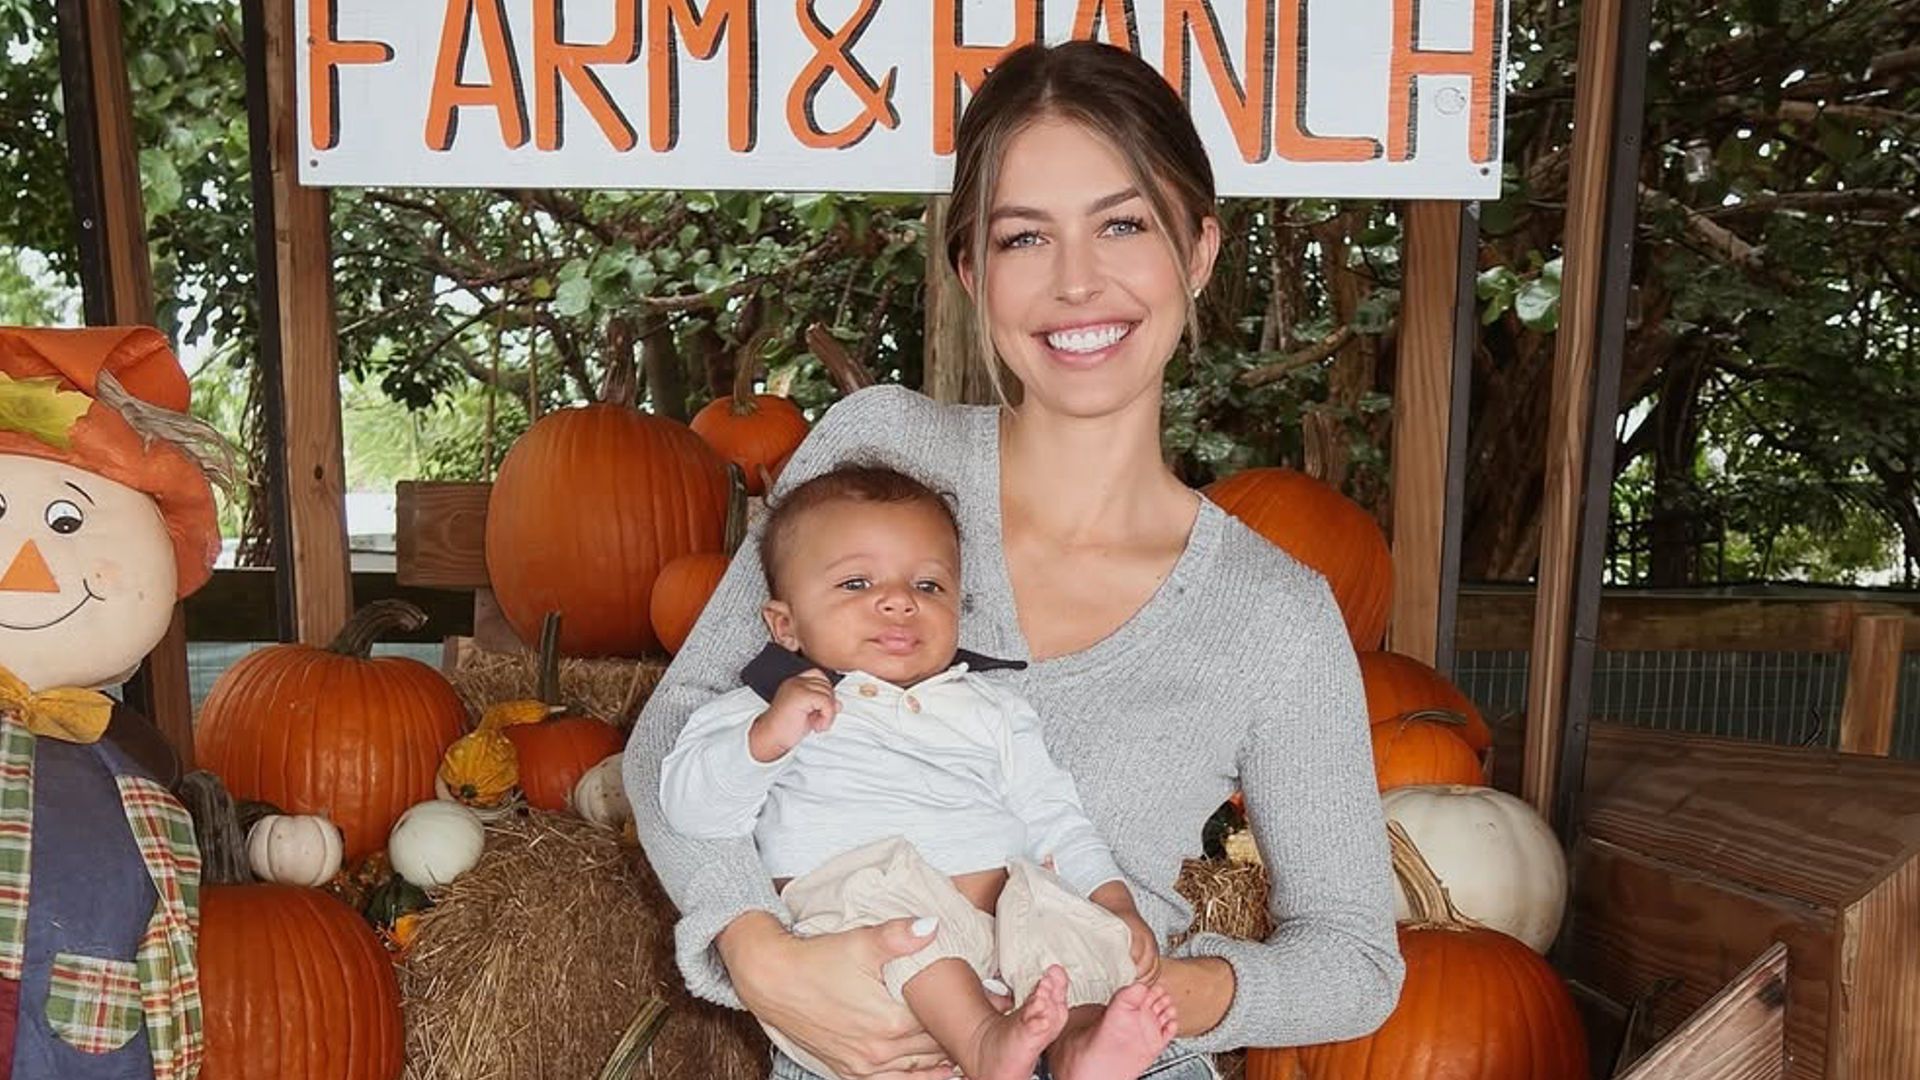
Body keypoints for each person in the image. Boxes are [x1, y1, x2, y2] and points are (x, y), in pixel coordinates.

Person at [628, 39, 1404, 1080]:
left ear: (1201, 250)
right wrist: (755, 950)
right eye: (1024, 238)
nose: (1078, 283)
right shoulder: (882, 460)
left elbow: (1356, 958)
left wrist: (1166, 996)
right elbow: (683, 732)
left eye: (1123, 224)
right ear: (969, 272)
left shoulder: (1272, 614)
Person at [660, 463, 1180, 1080]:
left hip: (1002, 939)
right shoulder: (765, 706)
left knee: (1058, 911)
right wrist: (767, 738)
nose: (899, 600)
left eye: (929, 587)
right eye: (856, 582)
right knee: (879, 890)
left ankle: (1077, 1045)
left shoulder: (991, 708)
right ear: (785, 625)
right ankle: (984, 1041)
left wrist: (1113, 902)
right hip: (876, 952)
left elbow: (1055, 817)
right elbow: (691, 812)